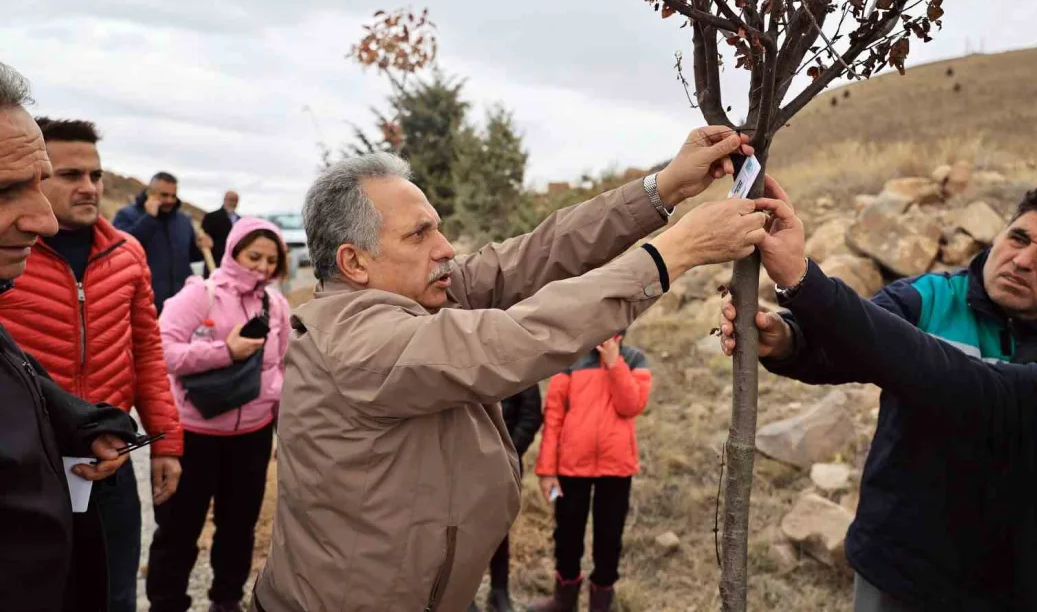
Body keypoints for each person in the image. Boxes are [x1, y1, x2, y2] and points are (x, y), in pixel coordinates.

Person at [251, 127, 771, 612]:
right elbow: (511, 341)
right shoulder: (357, 341)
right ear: (355, 263)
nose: (445, 248)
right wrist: (671, 254)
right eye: (419, 235)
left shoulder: (410, 299)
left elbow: (527, 259)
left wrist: (661, 190)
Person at [720, 177, 1037, 611]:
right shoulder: (933, 297)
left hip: (1023, 582)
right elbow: (861, 338)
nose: (1023, 260)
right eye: (1018, 238)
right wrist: (788, 337)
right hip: (902, 562)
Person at [0, 116, 185, 612]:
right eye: (70, 175)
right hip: (29, 469)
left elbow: (147, 348)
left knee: (116, 593)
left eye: (96, 175)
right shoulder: (9, 254)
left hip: (112, 463)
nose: (88, 187)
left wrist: (166, 441)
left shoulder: (128, 253)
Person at [149, 217, 291, 612]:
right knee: (178, 530)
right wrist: (225, 352)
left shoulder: (276, 304)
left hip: (253, 436)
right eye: (253, 256)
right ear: (233, 251)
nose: (261, 267)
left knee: (238, 528)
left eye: (270, 259)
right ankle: (166, 602)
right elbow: (160, 353)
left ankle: (226, 600)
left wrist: (283, 429)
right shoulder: (201, 296)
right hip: (193, 434)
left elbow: (282, 369)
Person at [529, 330, 651, 612]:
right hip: (571, 469)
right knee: (567, 535)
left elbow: (631, 405)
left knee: (609, 540)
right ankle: (564, 600)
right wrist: (547, 471)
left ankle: (600, 604)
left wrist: (614, 364)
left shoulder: (634, 360)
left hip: (617, 470)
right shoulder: (569, 363)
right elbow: (554, 419)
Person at [470, 384, 543, 612]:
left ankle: (499, 591)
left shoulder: (517, 367)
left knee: (500, 528)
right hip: (466, 464)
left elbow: (531, 415)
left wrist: (509, 451)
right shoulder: (466, 365)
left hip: (505, 464)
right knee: (464, 530)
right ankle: (464, 596)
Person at [113, 170, 213, 313]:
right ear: (149, 193)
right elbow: (120, 250)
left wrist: (202, 248)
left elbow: (189, 256)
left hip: (180, 303)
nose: (170, 200)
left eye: (173, 196)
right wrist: (149, 219)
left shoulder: (183, 220)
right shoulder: (127, 215)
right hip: (142, 304)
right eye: (164, 195)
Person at [201, 191, 241, 275]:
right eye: (231, 200)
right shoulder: (211, 217)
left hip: (235, 266)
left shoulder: (241, 221)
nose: (233, 203)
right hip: (215, 263)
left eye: (235, 200)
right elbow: (205, 240)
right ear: (225, 200)